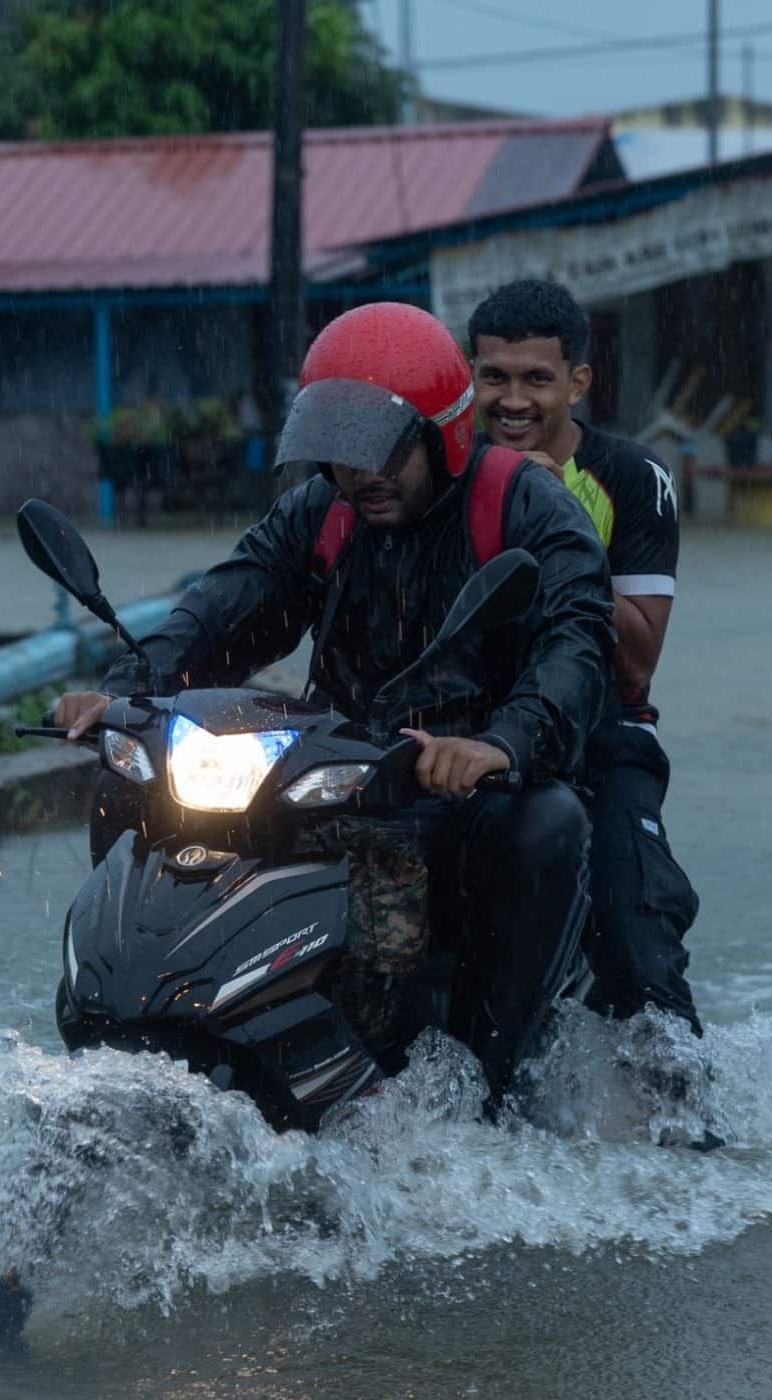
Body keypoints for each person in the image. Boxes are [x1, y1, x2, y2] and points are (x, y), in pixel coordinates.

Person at [51, 302, 614, 1106]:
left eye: (382, 451)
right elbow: (231, 599)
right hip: (335, 767)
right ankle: (132, 1023)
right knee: (129, 787)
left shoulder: (524, 506)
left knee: (549, 825)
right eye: (341, 453)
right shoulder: (323, 511)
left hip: (468, 777)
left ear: (440, 434)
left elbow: (575, 644)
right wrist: (124, 690)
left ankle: (492, 1082)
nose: (362, 475)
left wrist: (503, 742)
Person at [466, 278, 704, 1038]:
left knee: (642, 958)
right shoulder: (438, 472)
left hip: (600, 739)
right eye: (493, 377)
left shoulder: (634, 479)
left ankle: (684, 1138)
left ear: (578, 382)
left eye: (537, 379)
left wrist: (556, 518)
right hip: (464, 736)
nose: (513, 401)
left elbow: (636, 663)